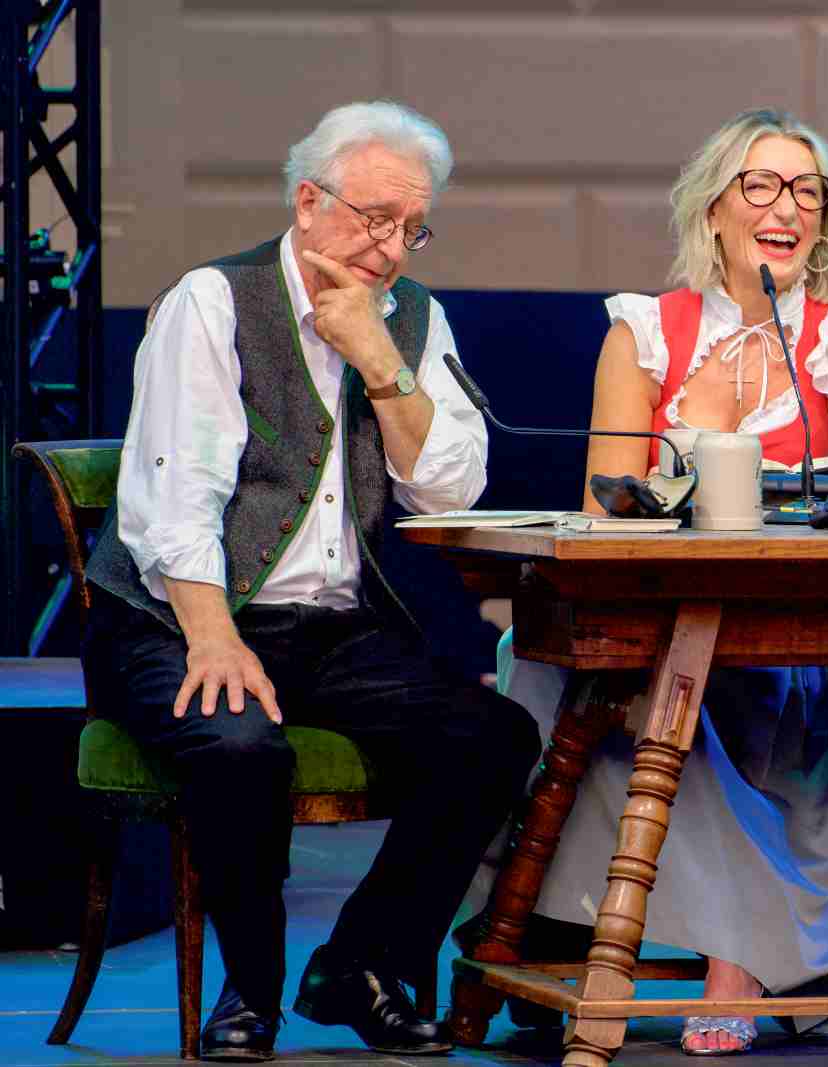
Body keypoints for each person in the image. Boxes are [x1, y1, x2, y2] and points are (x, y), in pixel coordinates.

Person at [493, 107, 828, 1056]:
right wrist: (700, 426)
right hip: (651, 628)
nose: (785, 206)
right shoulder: (645, 330)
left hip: (790, 638)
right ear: (714, 209)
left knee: (720, 686)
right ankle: (635, 930)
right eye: (760, 185)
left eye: (806, 189)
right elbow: (605, 503)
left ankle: (737, 949)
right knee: (606, 678)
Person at [81, 101, 543, 1062]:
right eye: (375, 218)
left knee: (494, 737)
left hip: (327, 627)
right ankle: (250, 993)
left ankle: (362, 963)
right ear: (307, 200)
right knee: (243, 746)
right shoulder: (214, 302)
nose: (391, 246)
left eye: (412, 228)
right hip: (175, 616)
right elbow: (174, 496)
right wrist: (212, 636)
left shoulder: (413, 319)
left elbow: (451, 485)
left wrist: (379, 358)